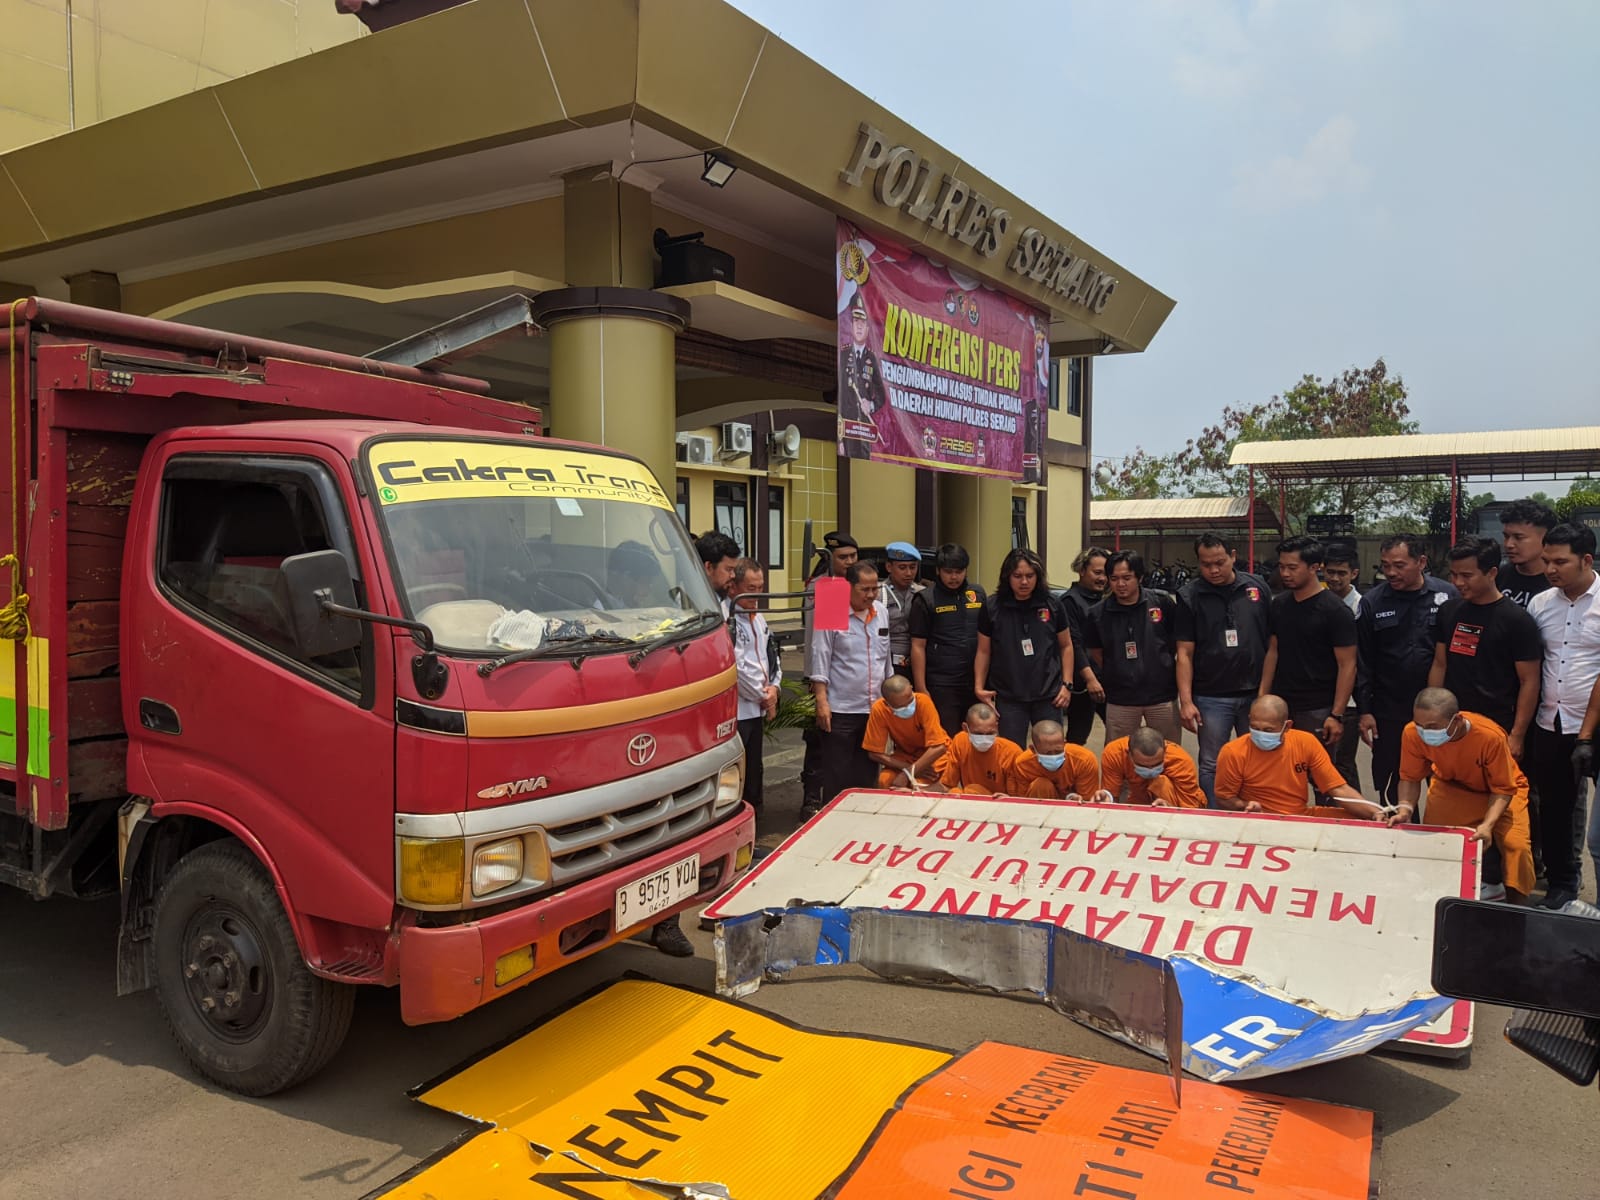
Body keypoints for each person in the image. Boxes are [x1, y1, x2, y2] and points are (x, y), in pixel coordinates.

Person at [1390, 688, 1535, 903]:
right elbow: (1410, 778)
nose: (1424, 732)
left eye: (1432, 727)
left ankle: (1517, 907)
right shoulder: (1412, 733)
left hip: (1502, 792)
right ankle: (1442, 900)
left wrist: (1488, 825)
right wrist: (1405, 809)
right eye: (1419, 725)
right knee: (1438, 843)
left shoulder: (1489, 736)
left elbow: (1503, 789)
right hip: (1452, 786)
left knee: (1517, 847)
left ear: (1456, 720)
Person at [1527, 523, 1600, 909]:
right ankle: (1561, 885)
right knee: (1554, 808)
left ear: (1586, 560)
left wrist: (1587, 734)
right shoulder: (1541, 604)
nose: (1550, 569)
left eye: (1560, 561)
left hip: (1596, 726)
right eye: (1546, 560)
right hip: (1550, 723)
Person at [1356, 535, 1458, 810]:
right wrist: (1365, 710)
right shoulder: (1372, 602)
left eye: (1399, 565)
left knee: (1446, 785)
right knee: (1393, 788)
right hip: (1390, 711)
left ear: (1421, 562)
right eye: (1386, 565)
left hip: (1441, 711)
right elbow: (1362, 661)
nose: (1390, 573)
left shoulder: (1448, 596)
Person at [1174, 532, 1273, 806]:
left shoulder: (1257, 588)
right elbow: (1184, 652)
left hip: (1254, 694)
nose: (1213, 570)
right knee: (1211, 762)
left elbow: (1270, 644)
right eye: (1205, 564)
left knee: (1257, 759)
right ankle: (1215, 814)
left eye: (1219, 562)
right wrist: (1186, 701)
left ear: (1233, 556)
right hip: (1211, 697)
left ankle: (1256, 811)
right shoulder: (1189, 596)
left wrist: (1265, 695)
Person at [1259, 535, 1357, 761]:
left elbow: (1348, 665)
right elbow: (1273, 652)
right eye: (1282, 567)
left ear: (1315, 568)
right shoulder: (1280, 605)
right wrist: (1263, 697)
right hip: (1281, 705)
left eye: (1292, 568)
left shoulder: (1335, 611)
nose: (1285, 573)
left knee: (1319, 775)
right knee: (1280, 770)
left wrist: (1336, 714)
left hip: (1318, 708)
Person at [809, 560, 892, 814]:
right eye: (864, 590)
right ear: (848, 588)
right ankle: (832, 822)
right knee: (837, 774)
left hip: (874, 707)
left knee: (867, 772)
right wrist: (822, 701)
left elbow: (885, 658)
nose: (870, 595)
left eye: (874, 589)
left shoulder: (881, 611)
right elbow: (820, 655)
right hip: (841, 708)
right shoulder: (833, 607)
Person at [1214, 696, 1376, 818]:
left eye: (1268, 730)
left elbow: (1338, 788)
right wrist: (1246, 805)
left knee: (1356, 819)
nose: (1260, 734)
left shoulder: (1305, 742)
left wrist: (1375, 813)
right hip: (1258, 818)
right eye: (1255, 728)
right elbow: (1224, 799)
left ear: (1287, 726)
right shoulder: (1233, 751)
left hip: (1299, 815)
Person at [975, 548, 1074, 747]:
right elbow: (984, 650)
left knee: (1050, 750)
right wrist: (978, 686)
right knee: (1011, 753)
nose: (1024, 582)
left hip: (1048, 695)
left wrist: (1067, 685)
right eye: (1017, 576)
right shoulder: (992, 606)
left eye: (1030, 576)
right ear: (1007, 577)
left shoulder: (1053, 604)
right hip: (1009, 696)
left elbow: (1066, 646)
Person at [1083, 550, 1180, 743]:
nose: (1120, 584)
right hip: (1121, 698)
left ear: (1140, 577)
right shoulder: (1097, 614)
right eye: (1114, 578)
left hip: (1161, 696)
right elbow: (1096, 652)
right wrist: (1119, 670)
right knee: (1119, 754)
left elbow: (1175, 642)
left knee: (1168, 752)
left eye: (1127, 578)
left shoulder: (1162, 604)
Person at [800, 532, 860, 812]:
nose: (848, 562)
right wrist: (817, 684)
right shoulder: (828, 587)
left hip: (850, 678)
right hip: (823, 676)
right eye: (842, 557)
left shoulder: (858, 585)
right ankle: (812, 797)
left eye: (852, 556)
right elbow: (822, 646)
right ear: (830, 559)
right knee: (819, 742)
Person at [908, 543, 988, 740]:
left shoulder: (977, 594)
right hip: (942, 684)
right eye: (948, 572)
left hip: (975, 682)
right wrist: (921, 688)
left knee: (977, 738)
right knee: (946, 739)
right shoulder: (926, 599)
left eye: (959, 571)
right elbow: (918, 646)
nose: (954, 577)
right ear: (937, 571)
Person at [729, 559, 780, 812]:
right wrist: (763, 696)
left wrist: (775, 688)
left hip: (758, 707)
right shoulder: (729, 619)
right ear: (733, 587)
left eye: (760, 587)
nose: (757, 594)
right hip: (741, 709)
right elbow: (736, 667)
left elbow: (771, 655)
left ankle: (755, 819)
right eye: (751, 587)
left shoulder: (758, 618)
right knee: (738, 774)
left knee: (755, 772)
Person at [1321, 543, 1364, 790]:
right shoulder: (1319, 601)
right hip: (1322, 694)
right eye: (1330, 572)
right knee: (1322, 763)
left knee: (1343, 763)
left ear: (1354, 574)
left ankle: (1357, 819)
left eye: (1341, 573)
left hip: (1349, 702)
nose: (1335, 578)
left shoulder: (1362, 607)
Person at [862, 674, 950, 789]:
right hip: (905, 756)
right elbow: (874, 753)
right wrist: (908, 768)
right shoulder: (879, 709)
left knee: (918, 785)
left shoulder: (923, 701)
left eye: (910, 700)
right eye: (902, 706)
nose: (909, 707)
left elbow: (939, 747)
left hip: (932, 757)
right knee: (885, 781)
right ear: (887, 704)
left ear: (911, 688)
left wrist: (908, 773)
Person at [1061, 547, 1110, 745]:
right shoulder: (1069, 602)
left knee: (1123, 736)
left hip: (1108, 679)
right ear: (1082, 570)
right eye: (1097, 573)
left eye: (1106, 574)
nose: (1103, 579)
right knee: (1077, 737)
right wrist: (1090, 679)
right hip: (1083, 683)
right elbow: (1074, 644)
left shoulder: (1109, 600)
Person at [1099, 727, 1206, 808]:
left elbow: (1190, 809)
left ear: (1165, 751)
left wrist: (1169, 809)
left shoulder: (1181, 760)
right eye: (1143, 765)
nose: (1150, 770)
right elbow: (1111, 796)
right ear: (1129, 755)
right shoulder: (1114, 753)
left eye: (1156, 764)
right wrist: (1106, 798)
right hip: (1137, 801)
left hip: (1175, 806)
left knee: (1160, 782)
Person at [932, 703, 1022, 795]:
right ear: (965, 728)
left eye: (990, 733)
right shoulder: (960, 742)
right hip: (969, 801)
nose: (984, 738)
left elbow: (1017, 797)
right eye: (978, 733)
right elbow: (947, 785)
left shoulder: (1012, 752)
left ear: (996, 727)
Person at [838, 291, 885, 460]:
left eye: (862, 322)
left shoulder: (872, 359)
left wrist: (871, 405)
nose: (858, 326)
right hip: (848, 431)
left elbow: (881, 395)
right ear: (851, 325)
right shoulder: (843, 356)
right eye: (855, 321)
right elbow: (840, 400)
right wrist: (840, 440)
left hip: (865, 431)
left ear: (867, 328)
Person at [1008, 720, 1099, 800]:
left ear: (1064, 743)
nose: (1054, 756)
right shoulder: (1023, 764)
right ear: (1033, 749)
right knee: (1041, 785)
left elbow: (1088, 801)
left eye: (1058, 750)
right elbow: (1023, 801)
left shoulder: (1084, 760)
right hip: (1039, 811)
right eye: (1047, 753)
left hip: (1074, 811)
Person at [1498, 500, 1559, 610]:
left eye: (1519, 537)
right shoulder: (1498, 577)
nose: (1509, 544)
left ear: (1546, 538)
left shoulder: (1559, 583)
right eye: (1506, 537)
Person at [879, 541, 926, 672]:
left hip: (918, 661)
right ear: (889, 567)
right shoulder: (877, 593)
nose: (909, 573)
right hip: (886, 661)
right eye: (902, 567)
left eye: (913, 567)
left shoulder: (922, 593)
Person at [695, 530, 741, 619]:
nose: (733, 575)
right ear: (708, 567)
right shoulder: (690, 605)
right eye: (729, 569)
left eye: (734, 570)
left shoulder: (720, 600)